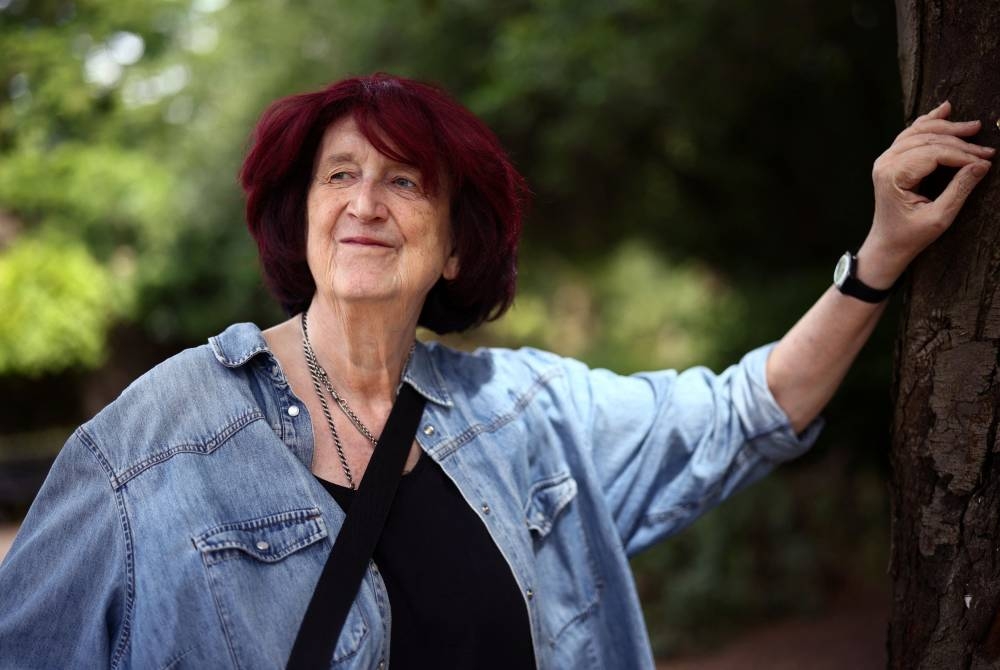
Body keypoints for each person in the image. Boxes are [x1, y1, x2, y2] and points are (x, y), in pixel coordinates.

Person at [0, 73, 992, 669]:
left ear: (456, 249)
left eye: (404, 181)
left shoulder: (523, 413)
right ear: (299, 220)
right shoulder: (152, 440)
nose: (364, 202)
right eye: (339, 175)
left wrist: (879, 261)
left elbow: (747, 410)